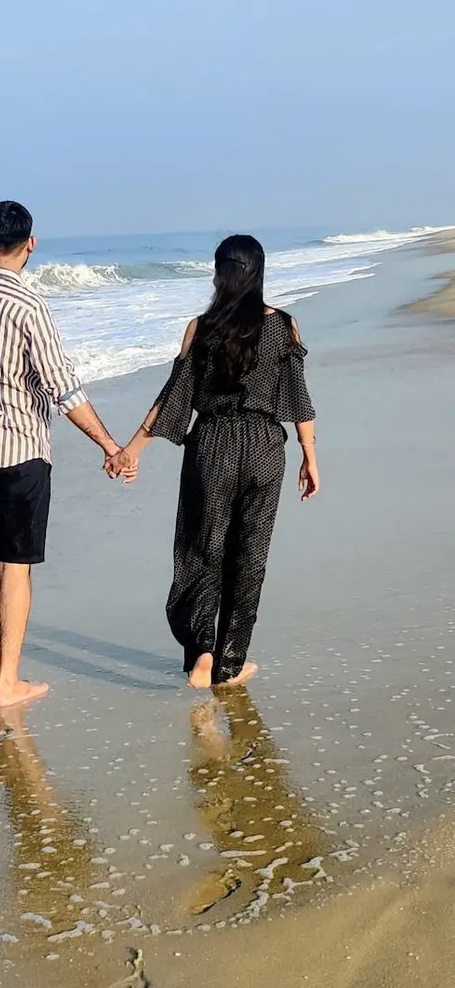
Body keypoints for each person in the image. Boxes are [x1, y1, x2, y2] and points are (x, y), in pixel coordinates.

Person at [0, 200, 135, 709]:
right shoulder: (28, 305)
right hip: (20, 451)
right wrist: (110, 446)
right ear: (31, 244)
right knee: (16, 566)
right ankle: (8, 684)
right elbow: (62, 387)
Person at [107, 234, 319, 688]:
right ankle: (231, 663)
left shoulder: (200, 328)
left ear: (218, 273)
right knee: (250, 556)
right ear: (260, 273)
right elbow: (298, 397)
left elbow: (174, 398)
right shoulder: (284, 326)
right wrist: (310, 456)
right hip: (264, 446)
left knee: (202, 549)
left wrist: (131, 450)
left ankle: (202, 654)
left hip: (212, 444)